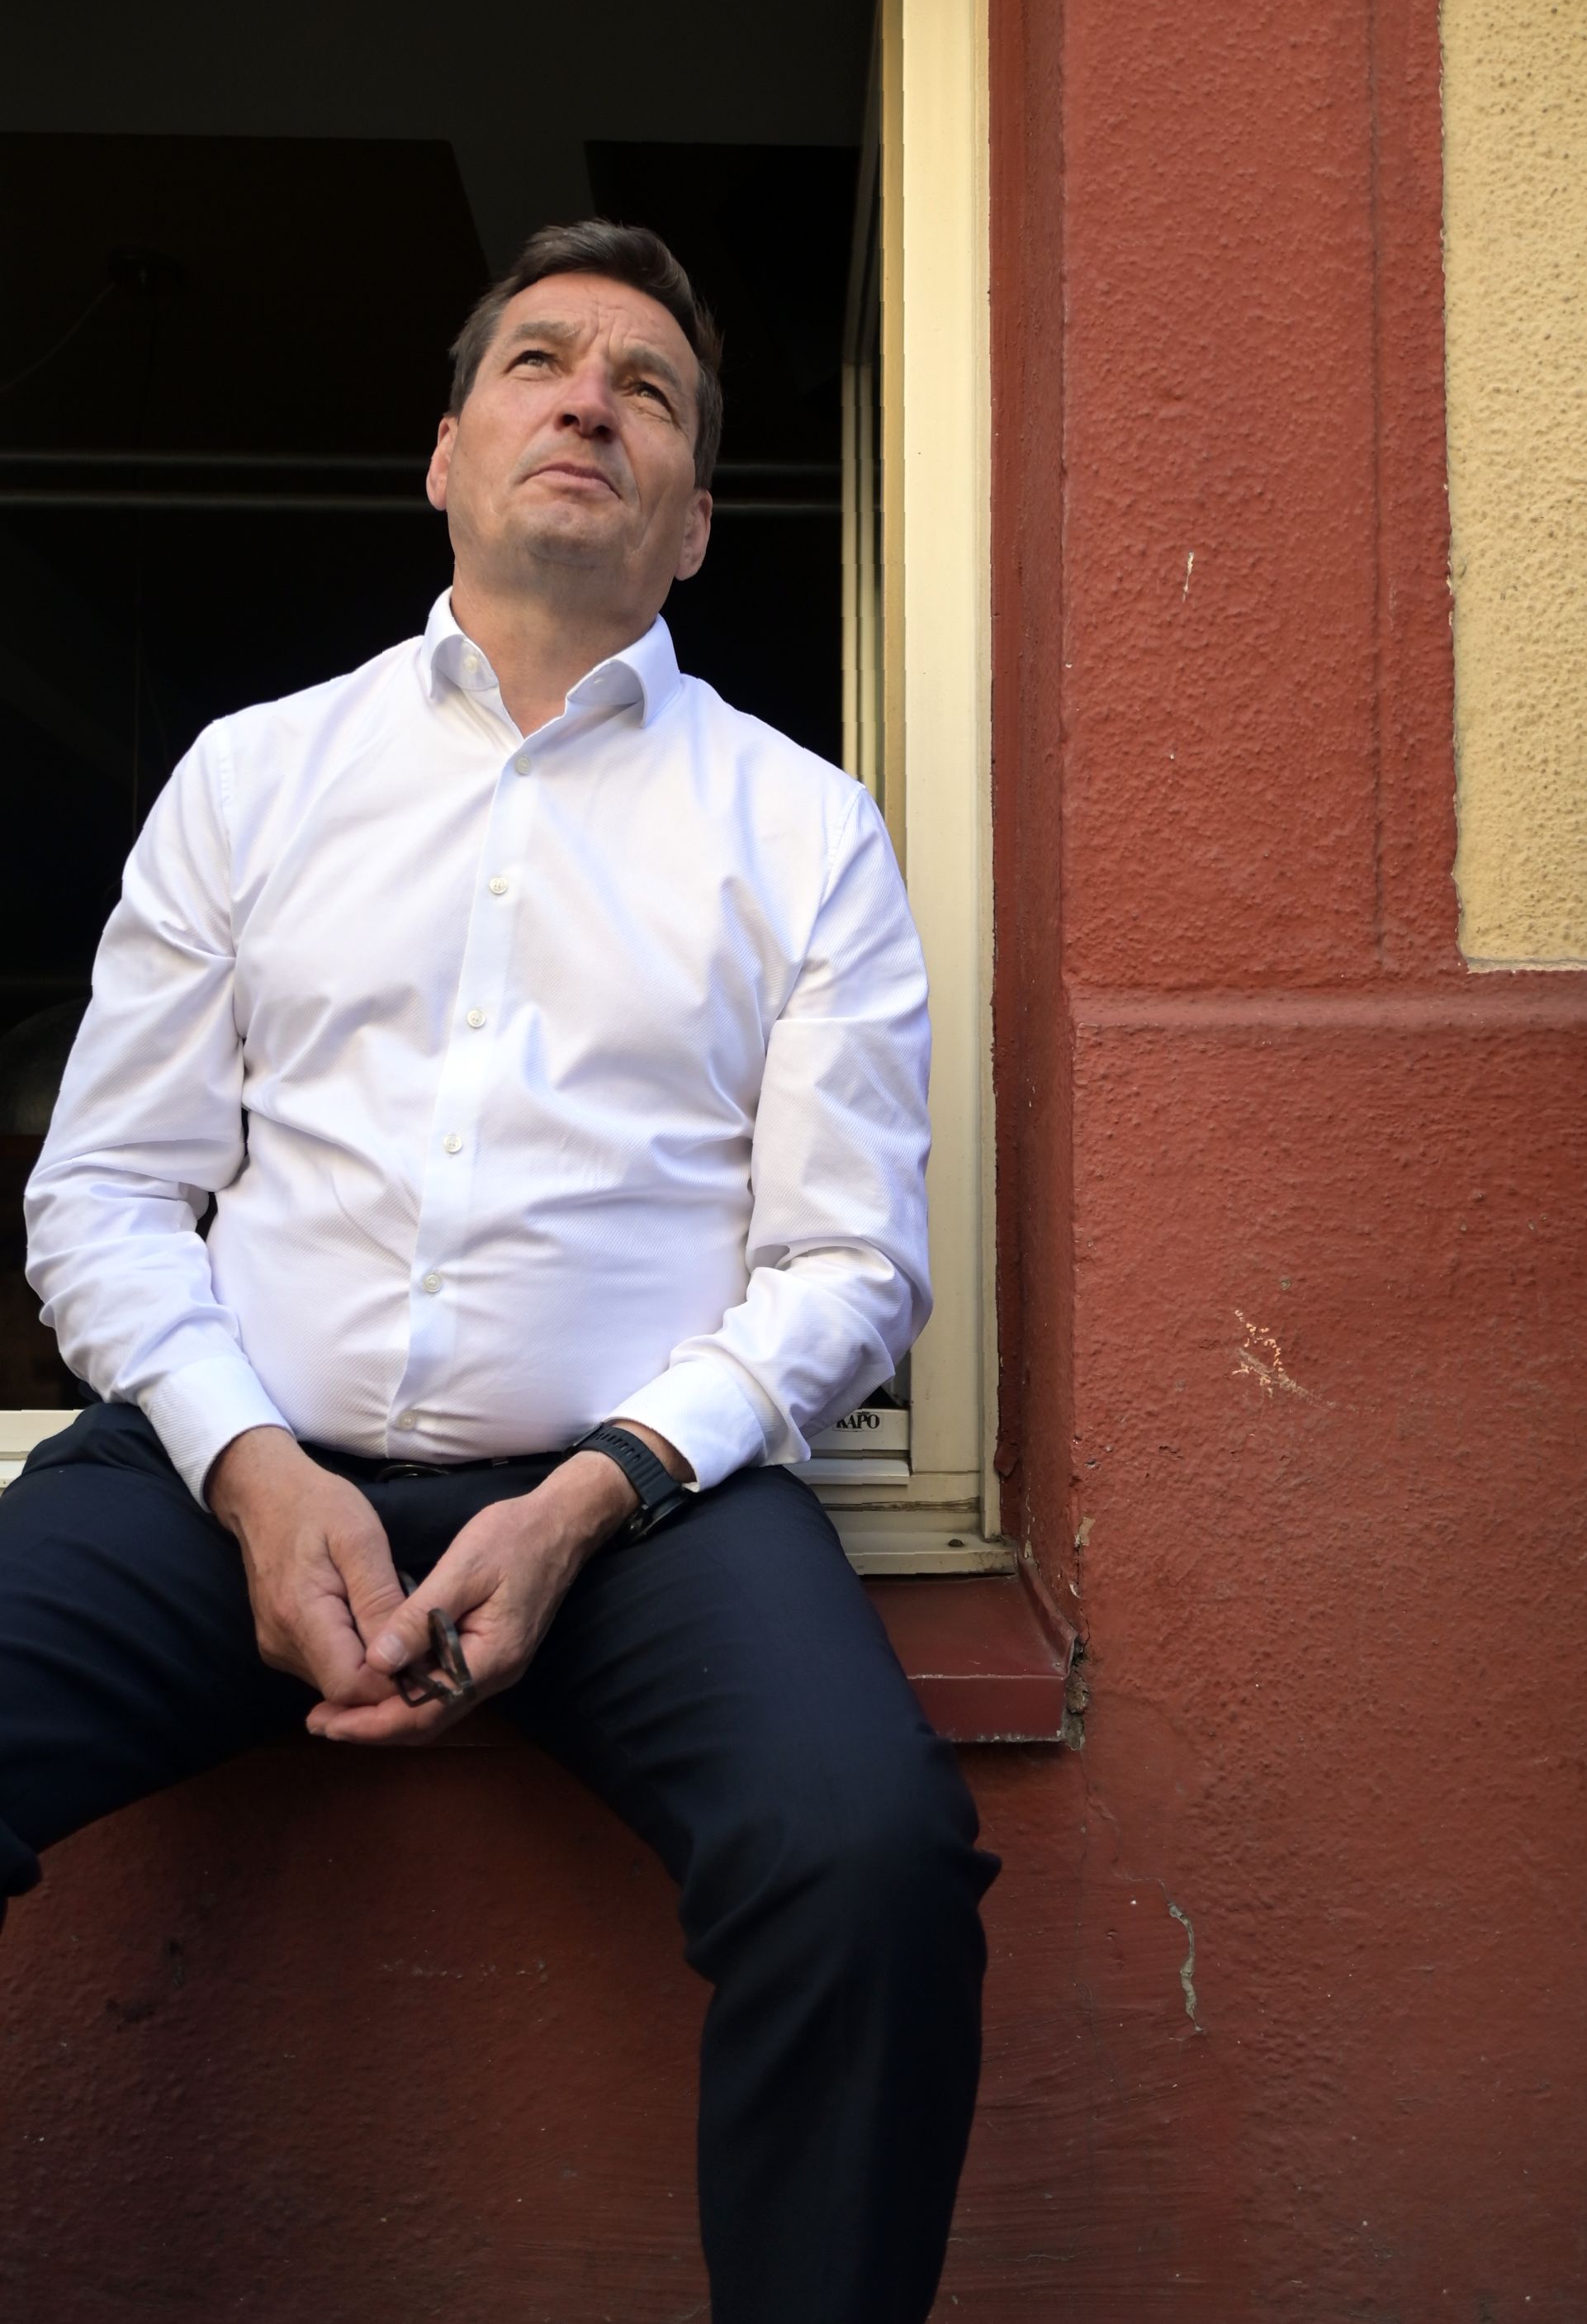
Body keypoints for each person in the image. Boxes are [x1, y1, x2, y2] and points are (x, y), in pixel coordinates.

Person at [2, 221, 998, 2324]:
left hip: (638, 1510)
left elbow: (845, 1262)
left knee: (867, 1857)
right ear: (444, 454)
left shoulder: (803, 827)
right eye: (539, 363)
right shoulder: (253, 775)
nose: (589, 401)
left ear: (696, 521)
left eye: (650, 391)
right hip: (226, 1470)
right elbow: (103, 1194)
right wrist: (251, 1470)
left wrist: (590, 1497)